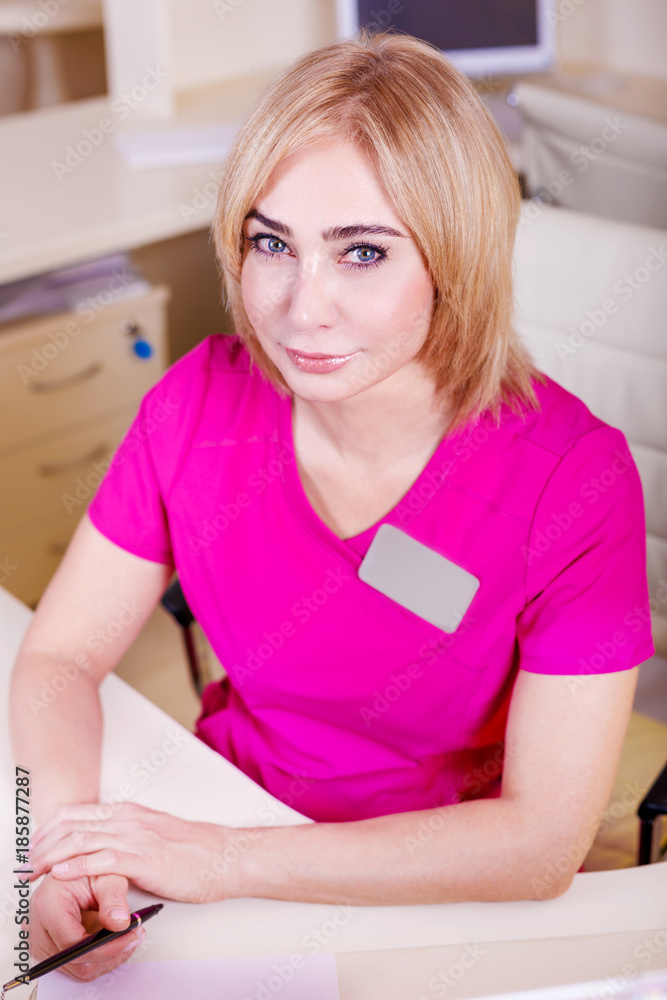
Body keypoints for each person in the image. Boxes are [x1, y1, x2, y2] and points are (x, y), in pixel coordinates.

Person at [11, 30, 653, 983]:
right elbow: (60, 657)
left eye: (362, 253)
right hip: (231, 809)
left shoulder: (575, 482)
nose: (298, 309)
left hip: (436, 884)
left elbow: (538, 845)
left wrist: (220, 863)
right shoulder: (197, 405)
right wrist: (54, 856)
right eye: (272, 243)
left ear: (454, 261)